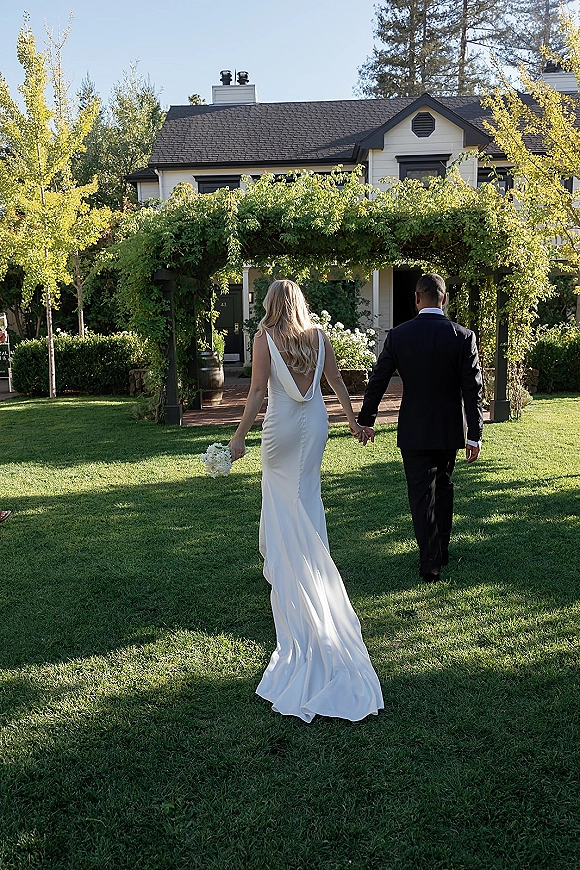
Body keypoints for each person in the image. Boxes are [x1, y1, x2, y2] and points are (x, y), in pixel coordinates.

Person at [228, 279, 383, 723]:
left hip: (280, 430)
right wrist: (354, 424)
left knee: (283, 500)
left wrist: (239, 436)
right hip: (314, 426)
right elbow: (335, 383)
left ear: (272, 305)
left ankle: (295, 567)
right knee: (306, 497)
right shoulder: (320, 338)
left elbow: (258, 392)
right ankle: (311, 561)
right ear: (300, 304)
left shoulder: (263, 338)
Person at [358, 273, 483, 583]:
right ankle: (440, 550)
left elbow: (379, 379)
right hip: (448, 429)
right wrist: (474, 434)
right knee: (443, 486)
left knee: (420, 495)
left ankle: (431, 564)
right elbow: (474, 389)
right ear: (444, 299)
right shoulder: (462, 336)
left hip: (413, 428)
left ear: (416, 299)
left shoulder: (399, 335)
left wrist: (366, 420)